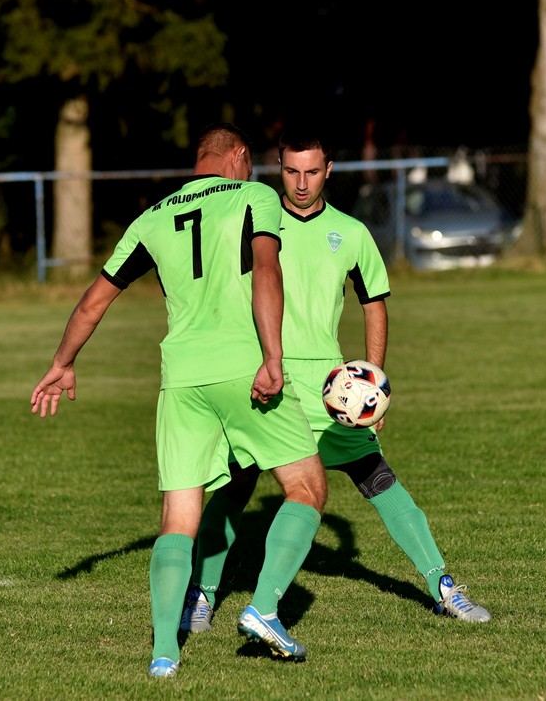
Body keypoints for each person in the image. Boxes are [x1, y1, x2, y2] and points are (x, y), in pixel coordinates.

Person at [29, 123, 328, 676]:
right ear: (239, 156)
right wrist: (274, 356)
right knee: (306, 487)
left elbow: (94, 301)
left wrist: (63, 362)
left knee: (178, 518)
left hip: (181, 379)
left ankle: (164, 653)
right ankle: (264, 607)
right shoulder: (256, 197)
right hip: (243, 369)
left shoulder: (152, 217)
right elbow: (267, 270)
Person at [179, 129, 491, 632]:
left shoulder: (351, 232)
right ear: (277, 169)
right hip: (265, 382)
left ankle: (443, 587)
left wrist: (373, 381)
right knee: (235, 487)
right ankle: (203, 596)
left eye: (311, 172)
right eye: (290, 171)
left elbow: (374, 305)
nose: (301, 183)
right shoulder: (252, 222)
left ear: (329, 172)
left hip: (332, 391)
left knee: (380, 480)